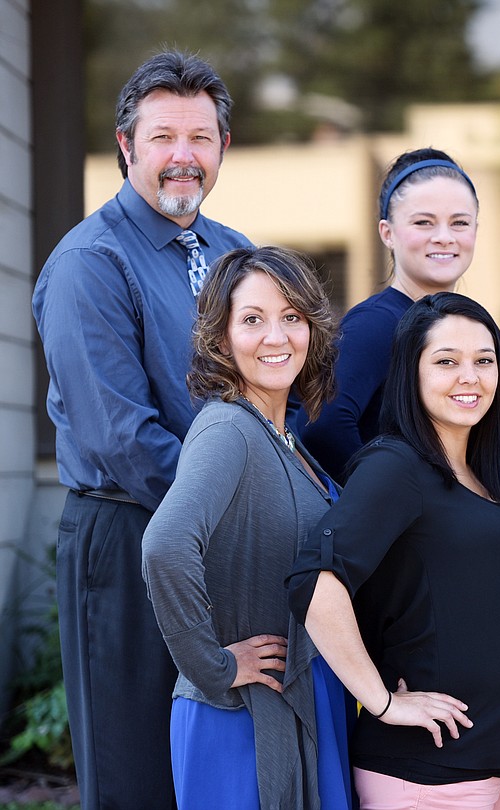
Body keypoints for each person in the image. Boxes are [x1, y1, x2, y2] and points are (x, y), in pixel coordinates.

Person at [31, 51, 251, 808]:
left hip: (216, 530)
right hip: (127, 540)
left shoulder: (235, 254)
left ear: (224, 145)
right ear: (127, 146)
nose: (183, 156)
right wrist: (244, 511)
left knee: (217, 762)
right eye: (162, 138)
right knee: (134, 773)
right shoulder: (90, 264)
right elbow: (123, 438)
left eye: (200, 137)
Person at [288, 292, 500, 810]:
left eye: (483, 361)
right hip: (429, 777)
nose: (469, 376)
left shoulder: (486, 479)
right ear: (411, 374)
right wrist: (381, 702)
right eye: (446, 361)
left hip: (494, 766)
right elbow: (315, 582)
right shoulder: (396, 467)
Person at [141, 246, 350, 809]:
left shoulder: (284, 436)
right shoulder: (228, 429)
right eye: (253, 320)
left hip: (298, 700)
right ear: (221, 337)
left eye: (292, 317)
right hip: (242, 718)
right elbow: (165, 545)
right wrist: (215, 664)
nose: (276, 336)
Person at [296, 148, 479, 481]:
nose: (444, 237)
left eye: (460, 222)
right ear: (387, 232)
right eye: (423, 222)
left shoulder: (461, 327)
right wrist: (392, 501)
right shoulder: (375, 324)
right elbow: (321, 427)